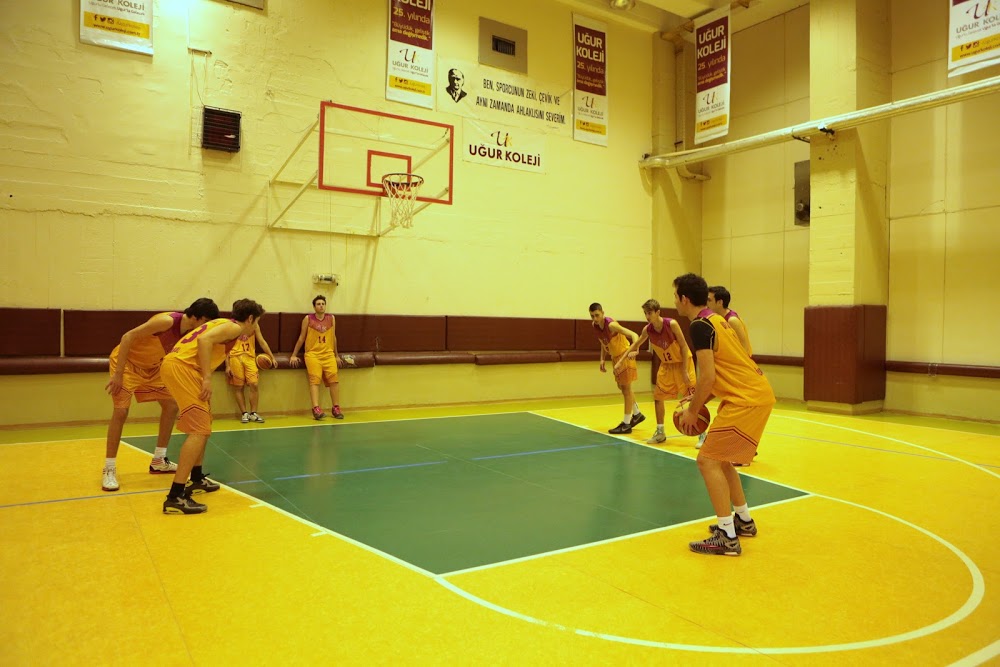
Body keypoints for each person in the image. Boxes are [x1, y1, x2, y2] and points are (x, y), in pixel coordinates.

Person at [673, 273, 775, 556]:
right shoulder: (718, 320)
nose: (675, 303)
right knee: (721, 460)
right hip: (752, 394)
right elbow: (725, 370)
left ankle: (727, 537)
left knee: (706, 461)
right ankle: (742, 520)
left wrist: (693, 411)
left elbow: (708, 376)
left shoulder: (699, 326)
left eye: (675, 297)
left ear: (684, 298)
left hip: (746, 399)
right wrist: (698, 397)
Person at [102, 298, 220, 492]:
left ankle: (159, 459)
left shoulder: (190, 333)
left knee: (171, 405)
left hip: (153, 368)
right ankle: (109, 468)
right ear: (199, 318)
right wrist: (118, 374)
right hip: (127, 366)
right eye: (207, 322)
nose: (208, 328)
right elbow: (127, 337)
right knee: (121, 411)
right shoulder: (166, 322)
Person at [160, 298, 265, 515]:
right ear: (250, 319)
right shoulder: (233, 327)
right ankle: (175, 496)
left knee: (205, 423)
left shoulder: (224, 324)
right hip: (183, 368)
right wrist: (207, 377)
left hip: (180, 367)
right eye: (256, 323)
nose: (255, 328)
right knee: (199, 429)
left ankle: (196, 478)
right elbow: (204, 341)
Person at [616, 299, 695, 445]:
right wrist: (621, 361)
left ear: (658, 312)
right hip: (667, 365)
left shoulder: (671, 324)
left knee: (691, 398)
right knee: (658, 397)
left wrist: (684, 369)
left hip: (683, 363)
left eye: (649, 313)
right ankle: (660, 432)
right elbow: (636, 343)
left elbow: (684, 346)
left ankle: (702, 434)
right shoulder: (648, 329)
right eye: (645, 313)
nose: (647, 316)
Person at [589, 303, 645, 434]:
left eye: (597, 315)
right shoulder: (595, 326)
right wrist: (602, 358)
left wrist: (635, 349)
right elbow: (603, 342)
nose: (595, 319)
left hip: (624, 355)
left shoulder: (611, 325)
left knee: (626, 389)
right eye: (592, 316)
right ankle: (637, 414)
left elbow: (634, 334)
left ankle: (626, 424)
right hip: (615, 358)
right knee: (622, 387)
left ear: (603, 313)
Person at [289, 295, 344, 420]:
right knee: (315, 380)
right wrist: (293, 355)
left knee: (334, 380)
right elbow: (301, 337)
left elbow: (333, 337)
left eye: (323, 303)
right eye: (318, 304)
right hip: (312, 354)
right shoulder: (308, 319)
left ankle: (336, 407)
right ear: (314, 307)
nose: (321, 306)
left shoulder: (331, 318)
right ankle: (316, 408)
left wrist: (336, 355)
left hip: (328, 354)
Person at [224, 304, 277, 424]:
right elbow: (226, 347)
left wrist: (272, 357)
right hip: (235, 357)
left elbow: (262, 342)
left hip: (249, 357)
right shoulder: (232, 327)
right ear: (250, 317)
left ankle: (253, 413)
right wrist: (227, 365)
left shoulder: (255, 326)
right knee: (238, 387)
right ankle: (244, 413)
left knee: (254, 384)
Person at [707, 286, 752, 356]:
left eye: (709, 300)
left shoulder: (732, 320)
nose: (706, 303)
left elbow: (745, 349)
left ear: (720, 302)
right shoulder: (715, 318)